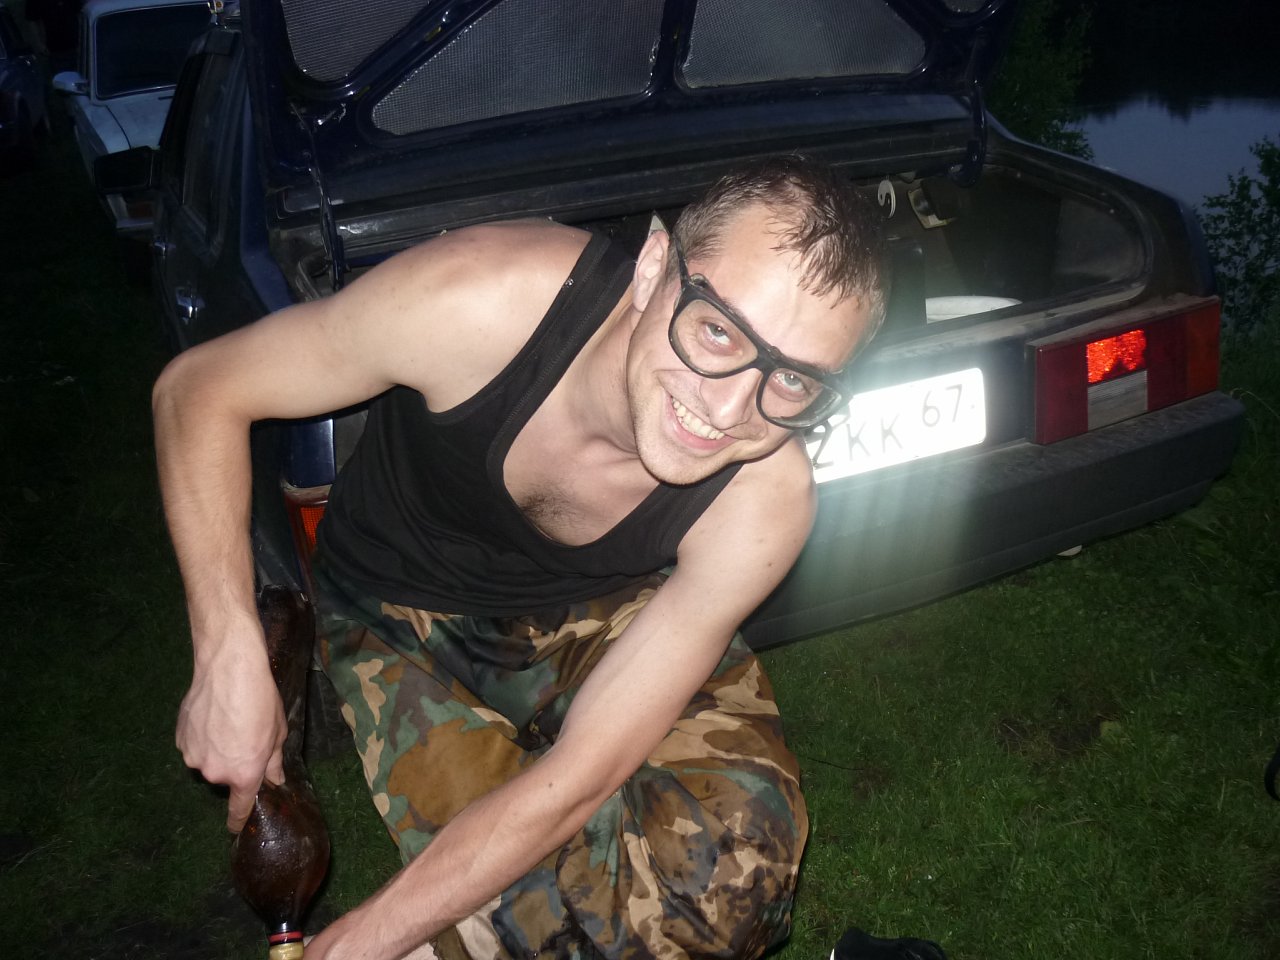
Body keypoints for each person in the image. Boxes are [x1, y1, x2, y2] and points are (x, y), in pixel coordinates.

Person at [153, 155, 888, 960]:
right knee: (536, 918)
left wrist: (364, 942)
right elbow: (201, 389)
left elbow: (585, 773)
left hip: (603, 600)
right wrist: (226, 653)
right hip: (396, 603)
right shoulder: (479, 300)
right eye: (718, 330)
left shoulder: (763, 502)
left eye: (794, 382)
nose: (728, 407)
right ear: (653, 267)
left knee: (736, 883)